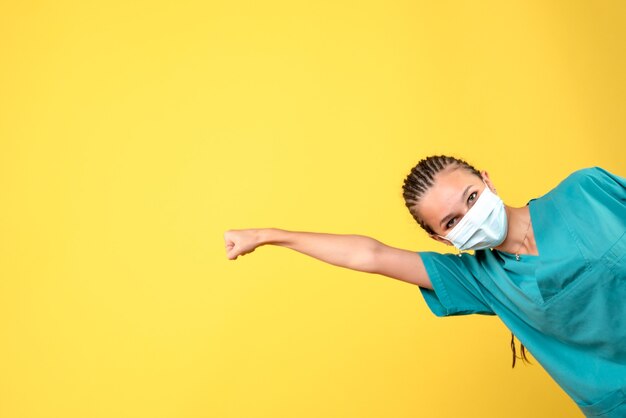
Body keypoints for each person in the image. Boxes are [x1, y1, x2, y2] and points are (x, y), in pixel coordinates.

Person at [224, 155, 626, 417]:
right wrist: (268, 235)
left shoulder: (586, 191)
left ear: (487, 180)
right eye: (452, 221)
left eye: (471, 196)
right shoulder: (481, 280)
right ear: (441, 239)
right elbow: (372, 255)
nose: (471, 216)